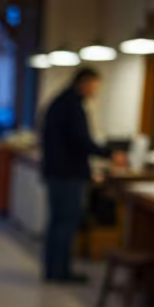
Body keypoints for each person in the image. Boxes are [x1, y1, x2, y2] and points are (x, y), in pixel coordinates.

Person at [41, 66, 110, 283]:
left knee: (57, 222)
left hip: (57, 171)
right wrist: (108, 153)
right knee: (66, 223)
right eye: (94, 85)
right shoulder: (71, 105)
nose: (95, 91)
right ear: (85, 82)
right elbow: (81, 140)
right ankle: (61, 272)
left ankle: (53, 269)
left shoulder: (61, 102)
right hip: (67, 174)